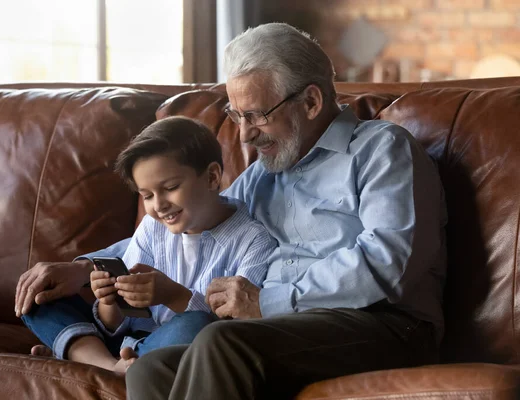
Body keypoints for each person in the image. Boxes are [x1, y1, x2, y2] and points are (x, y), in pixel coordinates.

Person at [122, 22, 448, 399]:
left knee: (221, 342)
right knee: (152, 368)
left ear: (311, 102)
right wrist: (82, 269)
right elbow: (196, 220)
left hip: (388, 325)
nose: (244, 134)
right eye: (236, 115)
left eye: (256, 115)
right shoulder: (262, 174)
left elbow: (389, 260)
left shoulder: (382, 150)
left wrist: (268, 302)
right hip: (283, 329)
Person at [17, 116, 275, 374]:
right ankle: (106, 366)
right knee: (39, 295)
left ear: (211, 177)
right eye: (147, 196)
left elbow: (233, 330)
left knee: (196, 325)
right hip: (123, 345)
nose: (159, 205)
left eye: (171, 187)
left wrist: (173, 295)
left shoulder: (253, 240)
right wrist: (109, 301)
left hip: (175, 344)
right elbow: (121, 319)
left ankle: (79, 356)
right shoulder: (153, 226)